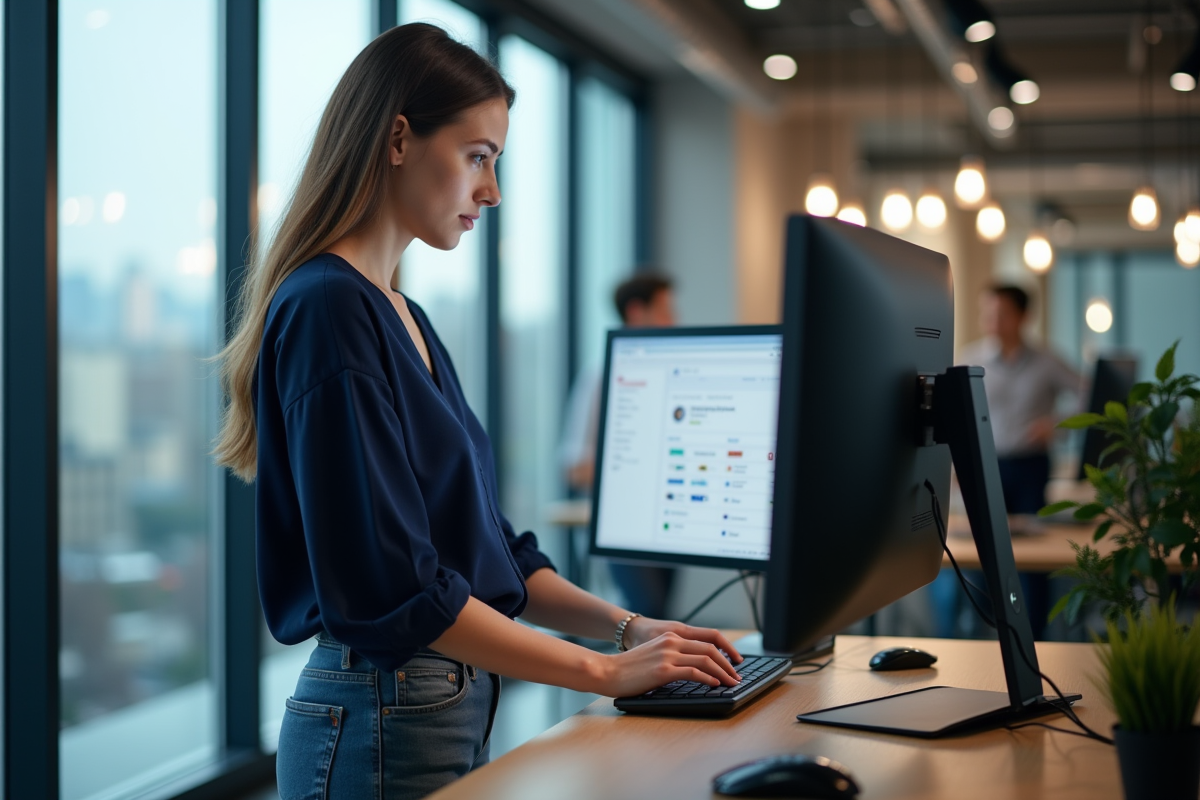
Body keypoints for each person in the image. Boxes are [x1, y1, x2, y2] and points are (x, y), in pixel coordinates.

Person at [213, 25, 741, 800]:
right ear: (398, 138)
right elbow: (401, 591)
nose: (491, 192)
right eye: (479, 157)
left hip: (429, 707)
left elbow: (495, 553)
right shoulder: (329, 308)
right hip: (382, 715)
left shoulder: (401, 314)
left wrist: (635, 630)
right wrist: (603, 669)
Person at [933, 284, 1080, 639]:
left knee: (1033, 555)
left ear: (1023, 317)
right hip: (986, 465)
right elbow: (951, 414)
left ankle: (1036, 637)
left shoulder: (1047, 360)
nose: (993, 321)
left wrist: (1056, 424)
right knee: (985, 552)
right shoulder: (971, 358)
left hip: (1031, 466)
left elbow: (1088, 394)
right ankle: (991, 635)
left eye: (1002, 313)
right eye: (988, 313)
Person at [560, 274, 678, 618]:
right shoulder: (600, 376)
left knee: (662, 615)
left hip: (663, 518)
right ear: (637, 312)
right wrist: (639, 463)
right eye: (666, 312)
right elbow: (574, 468)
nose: (674, 323)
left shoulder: (667, 379)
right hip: (622, 524)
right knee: (647, 611)